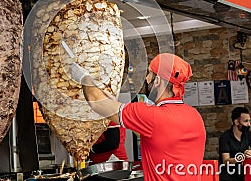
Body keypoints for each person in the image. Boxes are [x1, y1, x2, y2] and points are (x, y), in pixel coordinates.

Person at [70, 53, 206, 181]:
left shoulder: (151, 116)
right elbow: (146, 131)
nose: (146, 79)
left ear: (157, 81)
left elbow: (98, 103)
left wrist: (84, 78)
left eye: (149, 74)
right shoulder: (195, 116)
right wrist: (111, 100)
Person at [218, 107, 251, 181]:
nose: (249, 124)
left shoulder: (247, 134)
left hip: (244, 175)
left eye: (249, 121)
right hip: (228, 177)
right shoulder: (225, 137)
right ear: (236, 122)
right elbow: (225, 160)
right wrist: (240, 158)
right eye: (246, 121)